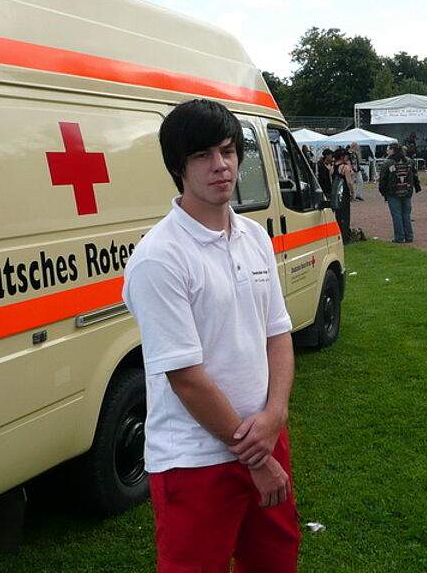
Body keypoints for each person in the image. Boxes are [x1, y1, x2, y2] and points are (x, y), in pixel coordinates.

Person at [123, 99, 300, 573]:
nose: (220, 165)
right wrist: (256, 458)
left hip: (265, 436)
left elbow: (278, 334)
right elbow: (185, 376)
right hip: (195, 460)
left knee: (275, 562)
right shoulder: (159, 257)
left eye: (227, 151)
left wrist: (275, 416)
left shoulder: (254, 236)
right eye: (202, 155)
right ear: (177, 168)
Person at [379, 143, 420, 243]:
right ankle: (409, 235)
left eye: (388, 149)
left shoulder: (388, 162)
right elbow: (414, 175)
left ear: (392, 150)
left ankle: (399, 236)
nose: (387, 151)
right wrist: (416, 186)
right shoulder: (409, 161)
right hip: (407, 190)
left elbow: (383, 178)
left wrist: (383, 191)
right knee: (406, 214)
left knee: (396, 214)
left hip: (393, 191)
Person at [332, 148, 356, 244]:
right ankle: (345, 237)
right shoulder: (345, 167)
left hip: (336, 193)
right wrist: (352, 192)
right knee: (345, 216)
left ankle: (339, 234)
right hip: (344, 193)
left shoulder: (333, 167)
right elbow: (349, 182)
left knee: (338, 215)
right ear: (342, 157)